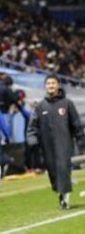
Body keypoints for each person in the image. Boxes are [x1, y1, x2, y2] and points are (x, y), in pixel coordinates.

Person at [27, 74, 85, 209]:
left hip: (64, 145)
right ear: (46, 86)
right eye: (48, 83)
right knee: (53, 173)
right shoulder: (40, 106)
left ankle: (64, 200)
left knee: (63, 169)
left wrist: (81, 141)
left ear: (58, 85)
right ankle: (61, 193)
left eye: (53, 83)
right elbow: (32, 127)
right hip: (47, 147)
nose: (51, 86)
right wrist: (32, 140)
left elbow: (76, 125)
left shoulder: (67, 103)